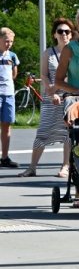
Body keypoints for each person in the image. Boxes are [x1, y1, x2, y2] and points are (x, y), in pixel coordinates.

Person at [19, 19, 74, 177]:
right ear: (54, 34)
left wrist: (59, 89)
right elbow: (43, 74)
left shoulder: (75, 52)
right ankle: (32, 167)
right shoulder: (48, 52)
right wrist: (52, 91)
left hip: (68, 96)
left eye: (67, 31)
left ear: (71, 34)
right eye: (60, 31)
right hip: (51, 96)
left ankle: (65, 166)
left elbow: (73, 76)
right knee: (43, 131)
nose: (64, 34)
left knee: (68, 132)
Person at [0, 27, 19, 168]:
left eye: (11, 41)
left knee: (7, 125)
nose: (9, 44)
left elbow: (14, 74)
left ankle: (4, 157)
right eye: (6, 41)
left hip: (9, 94)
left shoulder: (12, 56)